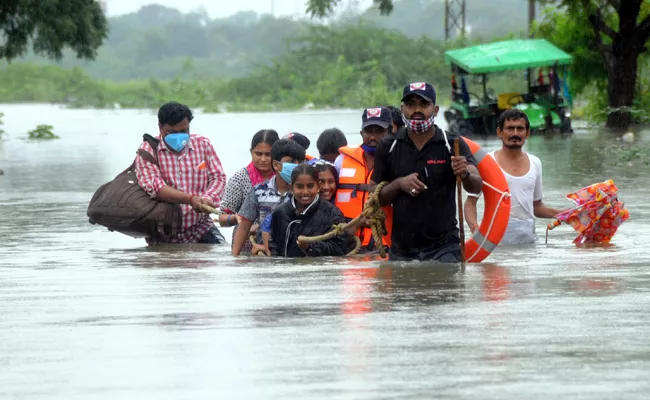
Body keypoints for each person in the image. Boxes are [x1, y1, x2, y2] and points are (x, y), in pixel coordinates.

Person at [372, 82, 483, 262]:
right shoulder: (388, 146)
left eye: (423, 104)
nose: (417, 110)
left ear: (436, 109)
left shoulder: (453, 144)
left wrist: (465, 174)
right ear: (402, 109)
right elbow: (376, 196)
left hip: (445, 247)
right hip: (402, 250)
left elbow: (476, 186)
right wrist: (399, 184)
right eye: (410, 105)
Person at [464, 109, 566, 244]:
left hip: (529, 245)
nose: (515, 133)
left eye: (520, 129)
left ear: (527, 133)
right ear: (499, 132)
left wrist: (565, 214)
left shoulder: (535, 163)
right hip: (494, 247)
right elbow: (470, 203)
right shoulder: (487, 163)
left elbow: (536, 207)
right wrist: (475, 229)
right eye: (510, 128)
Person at [135, 101, 227, 244]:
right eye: (172, 132)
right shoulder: (148, 151)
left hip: (201, 228)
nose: (179, 137)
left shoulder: (203, 144)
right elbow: (157, 188)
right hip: (163, 235)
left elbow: (218, 177)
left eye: (184, 131)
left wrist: (208, 198)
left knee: (221, 254)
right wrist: (190, 199)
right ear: (160, 127)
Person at [232, 139, 305, 256]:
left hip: (295, 253)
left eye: (300, 162)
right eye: (291, 162)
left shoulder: (304, 193)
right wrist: (234, 258)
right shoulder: (259, 191)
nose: (296, 166)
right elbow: (244, 227)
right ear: (276, 165)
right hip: (265, 255)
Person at [334, 106, 393, 252]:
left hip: (384, 244)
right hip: (348, 241)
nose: (373, 137)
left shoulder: (398, 160)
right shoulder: (341, 160)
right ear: (361, 133)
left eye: (379, 131)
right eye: (368, 131)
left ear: (390, 132)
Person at [270, 164, 348, 257]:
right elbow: (274, 245)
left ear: (318, 186)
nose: (305, 192)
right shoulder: (280, 213)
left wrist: (310, 246)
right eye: (299, 187)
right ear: (291, 188)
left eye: (310, 186)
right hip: (285, 269)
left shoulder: (332, 213)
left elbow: (339, 249)